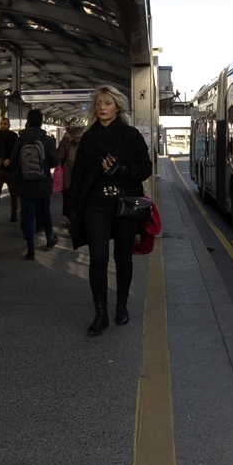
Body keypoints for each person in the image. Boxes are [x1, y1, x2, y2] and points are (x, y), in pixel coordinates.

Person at [67, 84, 152, 335]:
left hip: (125, 204)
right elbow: (78, 173)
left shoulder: (131, 135)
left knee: (123, 257)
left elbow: (145, 168)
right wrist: (72, 208)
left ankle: (122, 307)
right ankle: (100, 313)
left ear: (118, 106)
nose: (102, 107)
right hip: (96, 204)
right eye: (99, 103)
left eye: (108, 102)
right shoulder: (88, 138)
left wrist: (123, 169)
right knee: (99, 257)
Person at [12, 108, 59, 258]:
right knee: (45, 213)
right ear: (40, 121)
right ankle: (50, 239)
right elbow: (54, 161)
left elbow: (13, 161)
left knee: (28, 215)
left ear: (28, 121)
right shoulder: (46, 139)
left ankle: (30, 248)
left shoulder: (20, 139)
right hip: (43, 183)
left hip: (25, 184)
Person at [56, 120, 84, 224]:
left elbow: (61, 157)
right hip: (83, 173)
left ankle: (70, 216)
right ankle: (80, 216)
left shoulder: (65, 140)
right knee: (80, 194)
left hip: (69, 173)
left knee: (68, 195)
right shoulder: (86, 139)